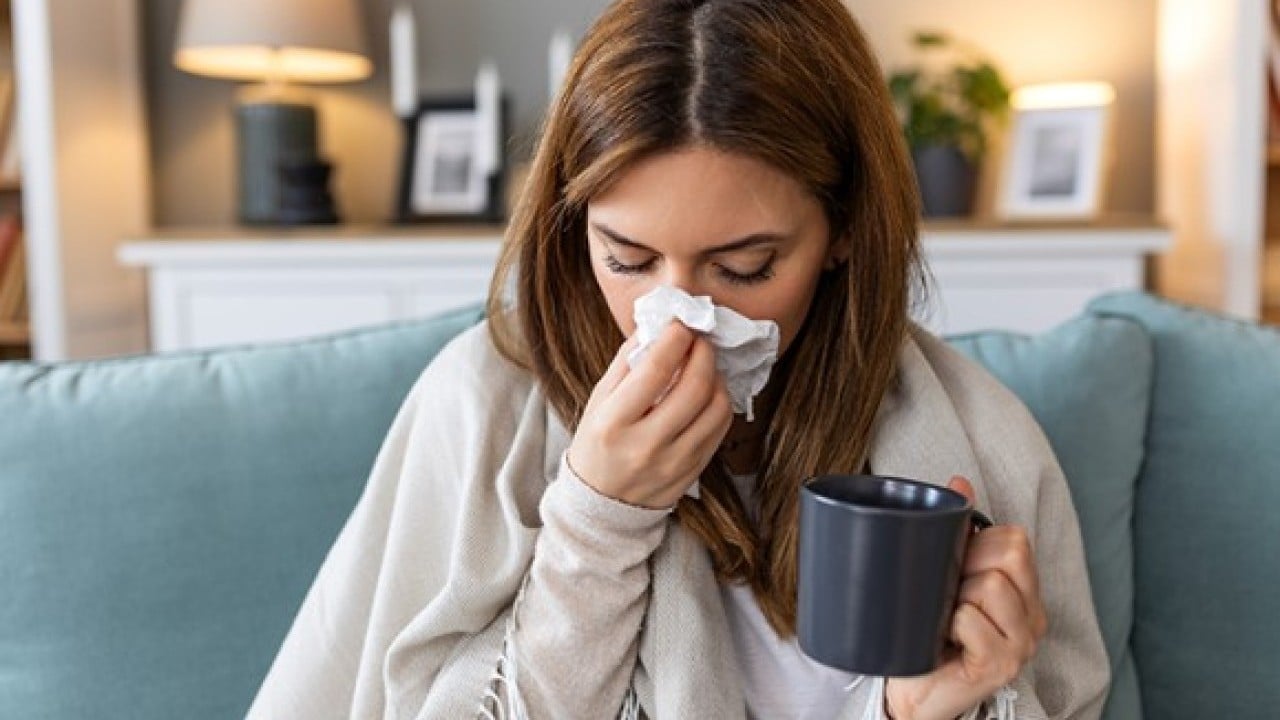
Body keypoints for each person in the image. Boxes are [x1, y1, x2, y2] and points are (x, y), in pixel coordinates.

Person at [248, 0, 1109, 718]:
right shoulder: (480, 408)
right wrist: (598, 518)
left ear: (845, 230)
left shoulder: (983, 443)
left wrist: (917, 712)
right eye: (626, 259)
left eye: (746, 268)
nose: (681, 320)